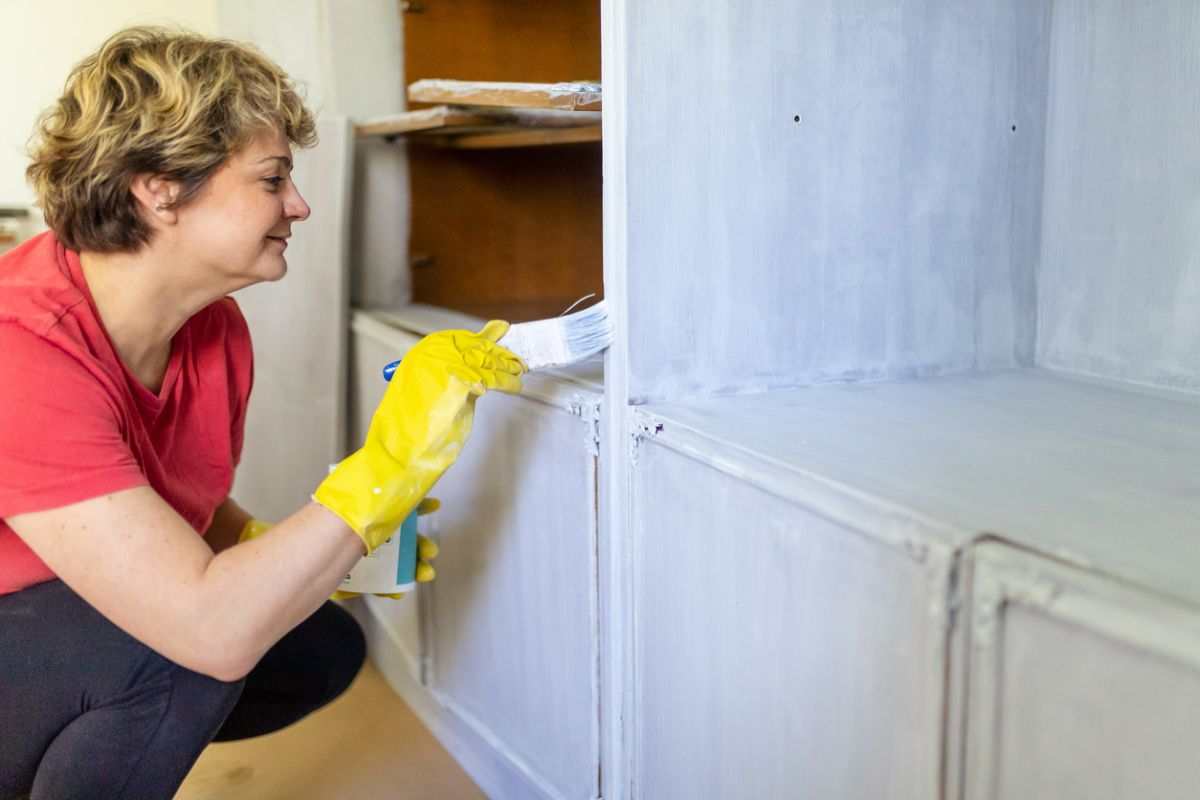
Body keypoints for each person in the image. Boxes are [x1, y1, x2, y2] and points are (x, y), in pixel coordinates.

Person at [0, 26, 526, 799]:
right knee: (185, 651)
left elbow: (187, 507)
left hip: (44, 624)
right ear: (158, 187)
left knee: (317, 647)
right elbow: (208, 627)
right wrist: (380, 477)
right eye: (273, 178)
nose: (300, 205)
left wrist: (285, 549)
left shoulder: (211, 328)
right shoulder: (21, 350)